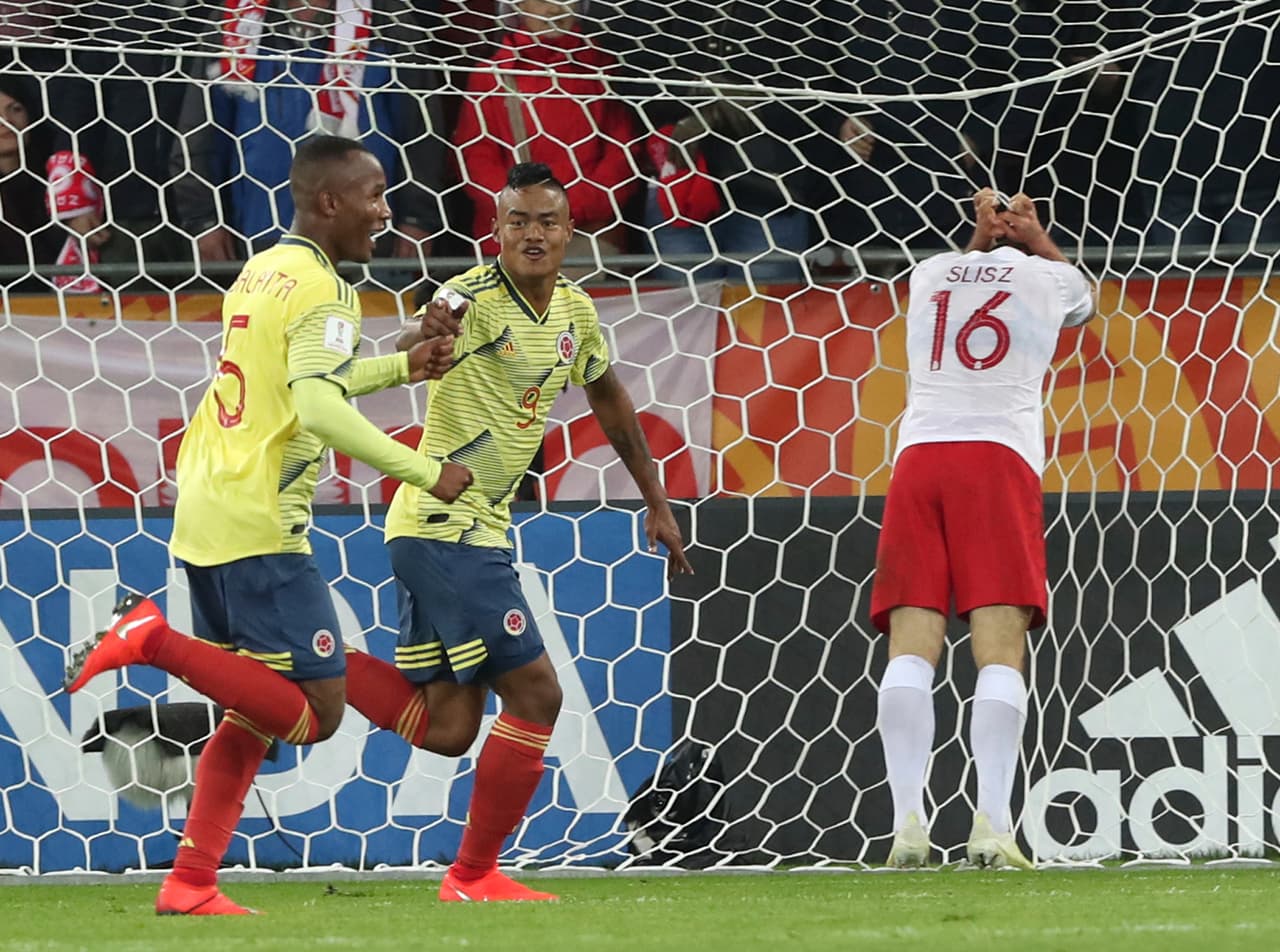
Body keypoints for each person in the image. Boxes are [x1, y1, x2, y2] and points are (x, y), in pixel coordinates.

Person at [63, 135, 472, 916]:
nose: (384, 212)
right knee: (314, 715)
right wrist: (424, 471)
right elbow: (318, 406)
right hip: (259, 518)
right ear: (329, 202)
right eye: (375, 194)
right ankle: (147, 638)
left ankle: (190, 883)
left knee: (252, 712)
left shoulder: (265, 266)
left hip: (210, 497)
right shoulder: (326, 290)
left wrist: (402, 367)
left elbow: (302, 381)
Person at [340, 161, 693, 902]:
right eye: (517, 222)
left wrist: (656, 500)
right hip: (444, 521)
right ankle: (473, 875)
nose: (533, 234)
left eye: (547, 222)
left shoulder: (574, 312)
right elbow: (417, 333)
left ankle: (298, 655)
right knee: (536, 695)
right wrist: (421, 333)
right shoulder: (468, 297)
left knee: (449, 728)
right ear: (494, 231)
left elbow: (609, 397)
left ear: (570, 232)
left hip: (468, 527)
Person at [871, 189, 1094, 870]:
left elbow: (968, 274)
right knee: (998, 651)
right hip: (996, 459)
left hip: (919, 460)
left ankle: (908, 826)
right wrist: (1038, 236)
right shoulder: (1047, 277)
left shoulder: (930, 272)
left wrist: (980, 238)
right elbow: (1085, 303)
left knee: (911, 648)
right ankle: (993, 827)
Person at [171, 0, 450, 272]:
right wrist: (203, 220)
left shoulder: (388, 19)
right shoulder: (233, 21)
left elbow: (421, 136)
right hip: (260, 233)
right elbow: (199, 133)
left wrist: (419, 218)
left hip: (367, 238)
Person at [452, 1, 640, 276]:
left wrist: (565, 209)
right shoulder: (489, 76)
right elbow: (474, 158)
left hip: (586, 242)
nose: (556, 9)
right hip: (507, 242)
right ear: (517, 5)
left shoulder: (603, 69)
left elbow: (623, 156)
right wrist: (523, 210)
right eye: (542, 0)